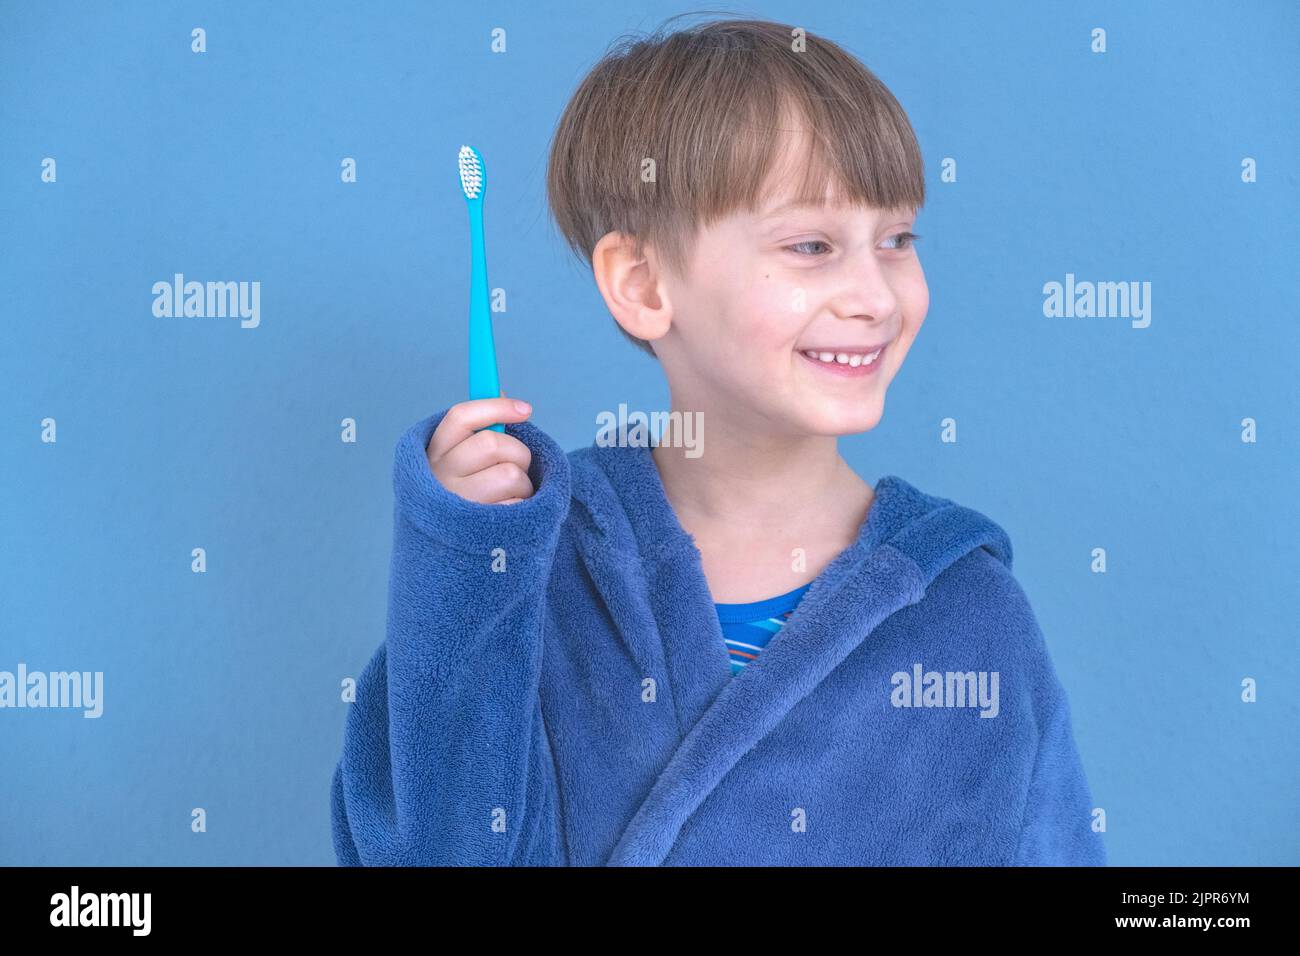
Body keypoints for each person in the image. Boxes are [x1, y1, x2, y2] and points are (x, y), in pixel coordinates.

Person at [331, 15, 1106, 866]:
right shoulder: (535, 575)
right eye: (811, 245)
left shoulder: (967, 615)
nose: (876, 296)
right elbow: (434, 849)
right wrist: (468, 568)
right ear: (643, 283)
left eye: (896, 241)